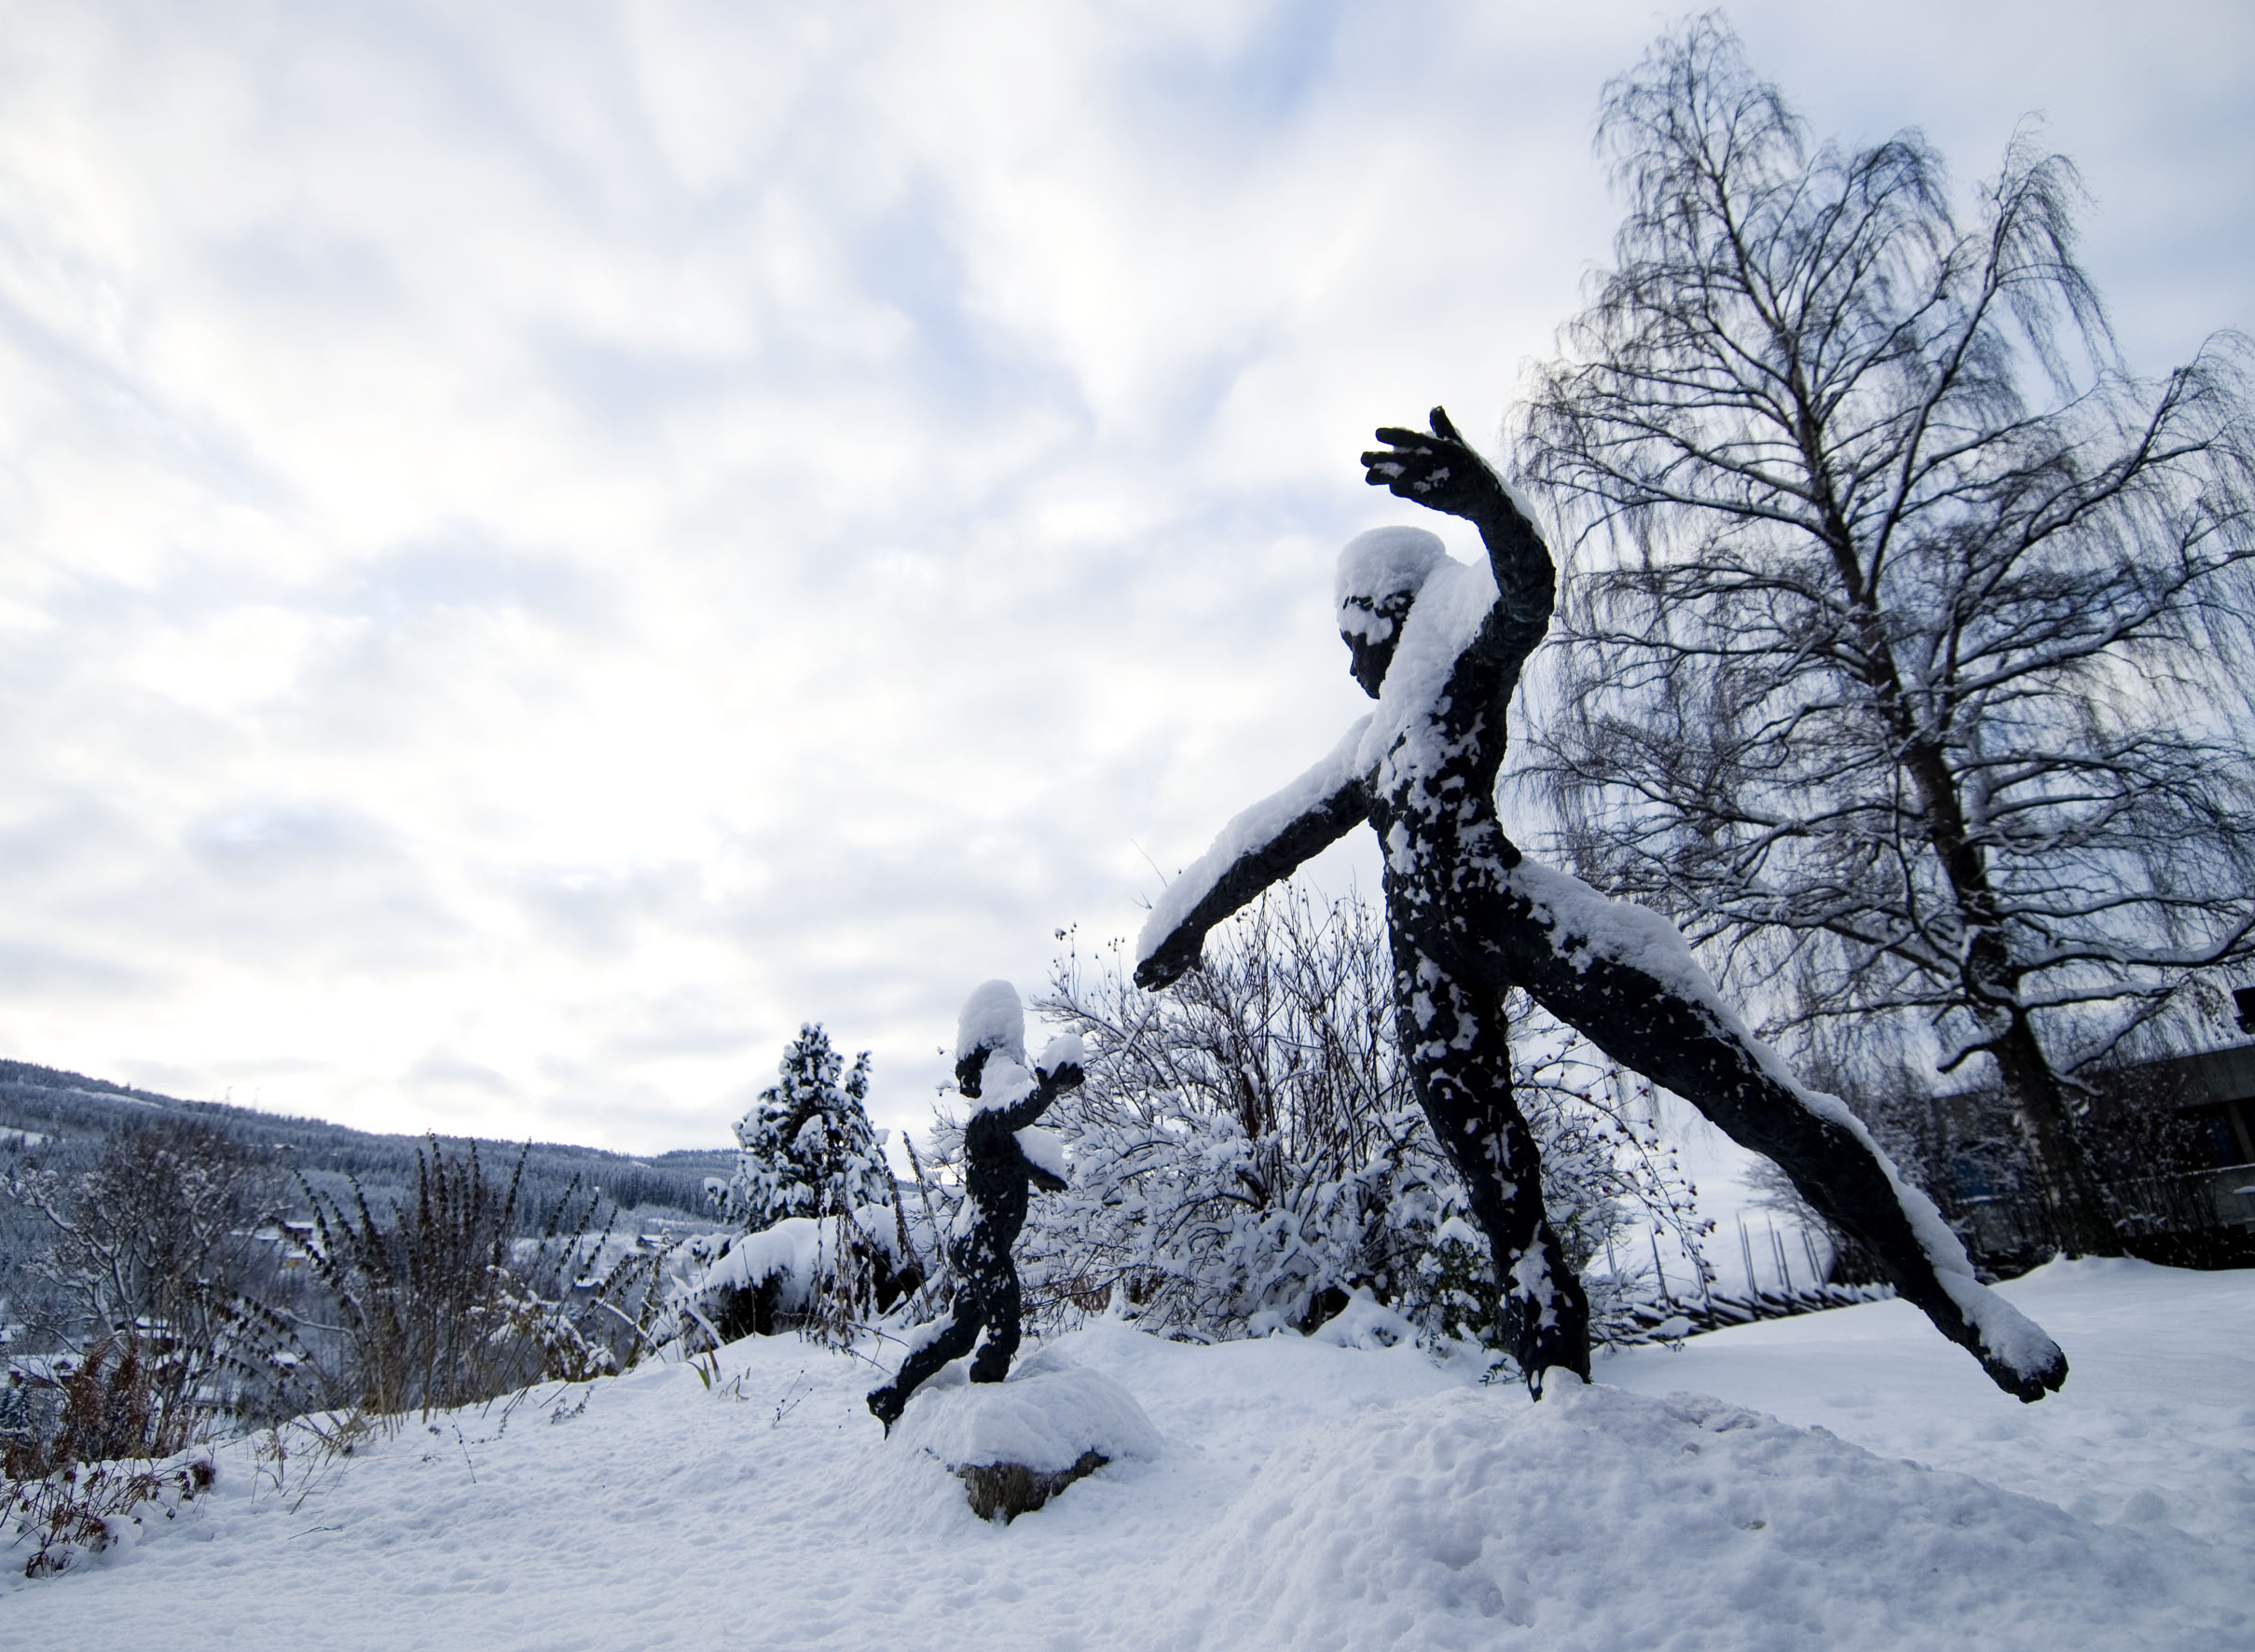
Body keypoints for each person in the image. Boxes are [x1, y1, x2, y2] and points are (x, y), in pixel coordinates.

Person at [1134, 409, 2068, 1402]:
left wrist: (1486, 504)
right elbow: (1264, 838)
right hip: (1431, 983)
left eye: (1356, 626)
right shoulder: (1367, 750)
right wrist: (1180, 925)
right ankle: (1561, 1403)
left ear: (1401, 611)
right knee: (1510, 1217)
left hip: (1524, 919)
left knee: (1751, 1098)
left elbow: (1529, 596)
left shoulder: (1462, 671)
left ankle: (1963, 1302)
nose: (1350, 651)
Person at [867, 982, 1088, 1430]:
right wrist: (1045, 1093)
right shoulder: (988, 1119)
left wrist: (1043, 1173)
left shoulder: (993, 1125)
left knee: (959, 1331)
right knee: (1004, 1323)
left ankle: (895, 1390)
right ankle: (987, 1406)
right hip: (983, 1238)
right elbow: (1017, 1114)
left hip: (971, 1237)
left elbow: (1021, 1150)